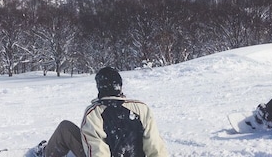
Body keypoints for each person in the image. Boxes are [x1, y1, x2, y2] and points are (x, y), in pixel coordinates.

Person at [27, 67, 169, 157]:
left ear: (99, 87)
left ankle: (45, 154)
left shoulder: (94, 112)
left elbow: (97, 151)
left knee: (65, 128)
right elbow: (154, 146)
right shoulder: (142, 108)